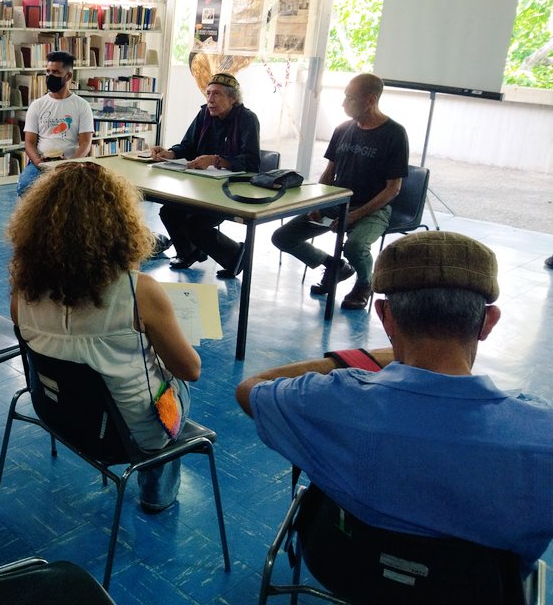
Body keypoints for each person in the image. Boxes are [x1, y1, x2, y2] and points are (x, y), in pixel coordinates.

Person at [236, 231, 553, 571]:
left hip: (344, 568)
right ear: (488, 321)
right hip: (480, 591)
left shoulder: (328, 401)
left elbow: (250, 388)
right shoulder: (541, 435)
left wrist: (355, 359)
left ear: (385, 315)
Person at [8, 161, 200, 513]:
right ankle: (156, 495)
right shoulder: (140, 291)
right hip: (129, 432)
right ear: (121, 226)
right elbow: (190, 370)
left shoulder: (22, 290)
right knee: (175, 383)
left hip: (59, 414)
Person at [271, 73, 408, 310]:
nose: (343, 103)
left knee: (355, 246)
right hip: (336, 203)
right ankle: (334, 266)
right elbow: (328, 174)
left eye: (350, 97)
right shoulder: (343, 129)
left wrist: (355, 215)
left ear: (370, 100)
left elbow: (393, 189)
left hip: (373, 209)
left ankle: (364, 284)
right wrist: (317, 204)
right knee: (283, 237)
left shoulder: (394, 133)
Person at [149, 72, 260, 275]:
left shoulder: (247, 119)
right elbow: (188, 146)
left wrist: (215, 160)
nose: (210, 99)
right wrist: (170, 153)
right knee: (169, 212)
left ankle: (236, 256)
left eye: (216, 94)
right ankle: (190, 253)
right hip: (201, 185)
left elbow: (251, 162)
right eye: (208, 93)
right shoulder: (204, 114)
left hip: (230, 189)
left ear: (233, 98)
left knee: (195, 225)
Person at [16, 51, 94, 196]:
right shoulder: (37, 105)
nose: (50, 76)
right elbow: (29, 143)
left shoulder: (82, 106)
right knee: (25, 187)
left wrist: (69, 164)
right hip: (41, 162)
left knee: (75, 193)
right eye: (48, 71)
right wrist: (39, 163)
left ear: (68, 76)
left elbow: (85, 143)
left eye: (56, 72)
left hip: (71, 162)